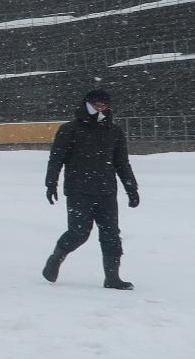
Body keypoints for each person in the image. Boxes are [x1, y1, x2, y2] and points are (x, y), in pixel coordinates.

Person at [44, 88, 139, 290]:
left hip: (106, 191)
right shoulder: (69, 129)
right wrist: (51, 182)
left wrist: (131, 188)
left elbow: (122, 163)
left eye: (104, 105)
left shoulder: (114, 131)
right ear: (87, 104)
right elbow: (56, 160)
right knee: (79, 233)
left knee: (111, 234)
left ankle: (112, 278)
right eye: (97, 104)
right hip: (79, 190)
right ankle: (56, 257)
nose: (100, 108)